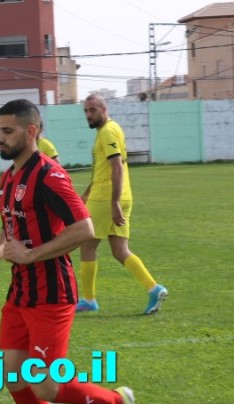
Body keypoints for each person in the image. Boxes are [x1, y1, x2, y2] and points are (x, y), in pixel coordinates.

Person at [0, 99, 143, 404]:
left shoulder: (50, 175)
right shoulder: (8, 178)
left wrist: (30, 255)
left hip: (52, 294)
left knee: (46, 386)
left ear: (31, 131)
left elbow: (84, 228)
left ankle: (120, 402)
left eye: (8, 131)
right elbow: (11, 226)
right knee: (12, 376)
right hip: (20, 293)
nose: (0, 138)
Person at [77, 94, 167, 314]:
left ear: (104, 108)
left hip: (107, 198)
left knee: (87, 245)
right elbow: (104, 168)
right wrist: (87, 192)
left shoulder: (107, 131)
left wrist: (114, 202)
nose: (89, 115)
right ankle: (153, 288)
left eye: (92, 110)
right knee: (120, 250)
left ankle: (88, 300)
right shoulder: (110, 129)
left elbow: (116, 167)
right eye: (86, 111)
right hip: (116, 196)